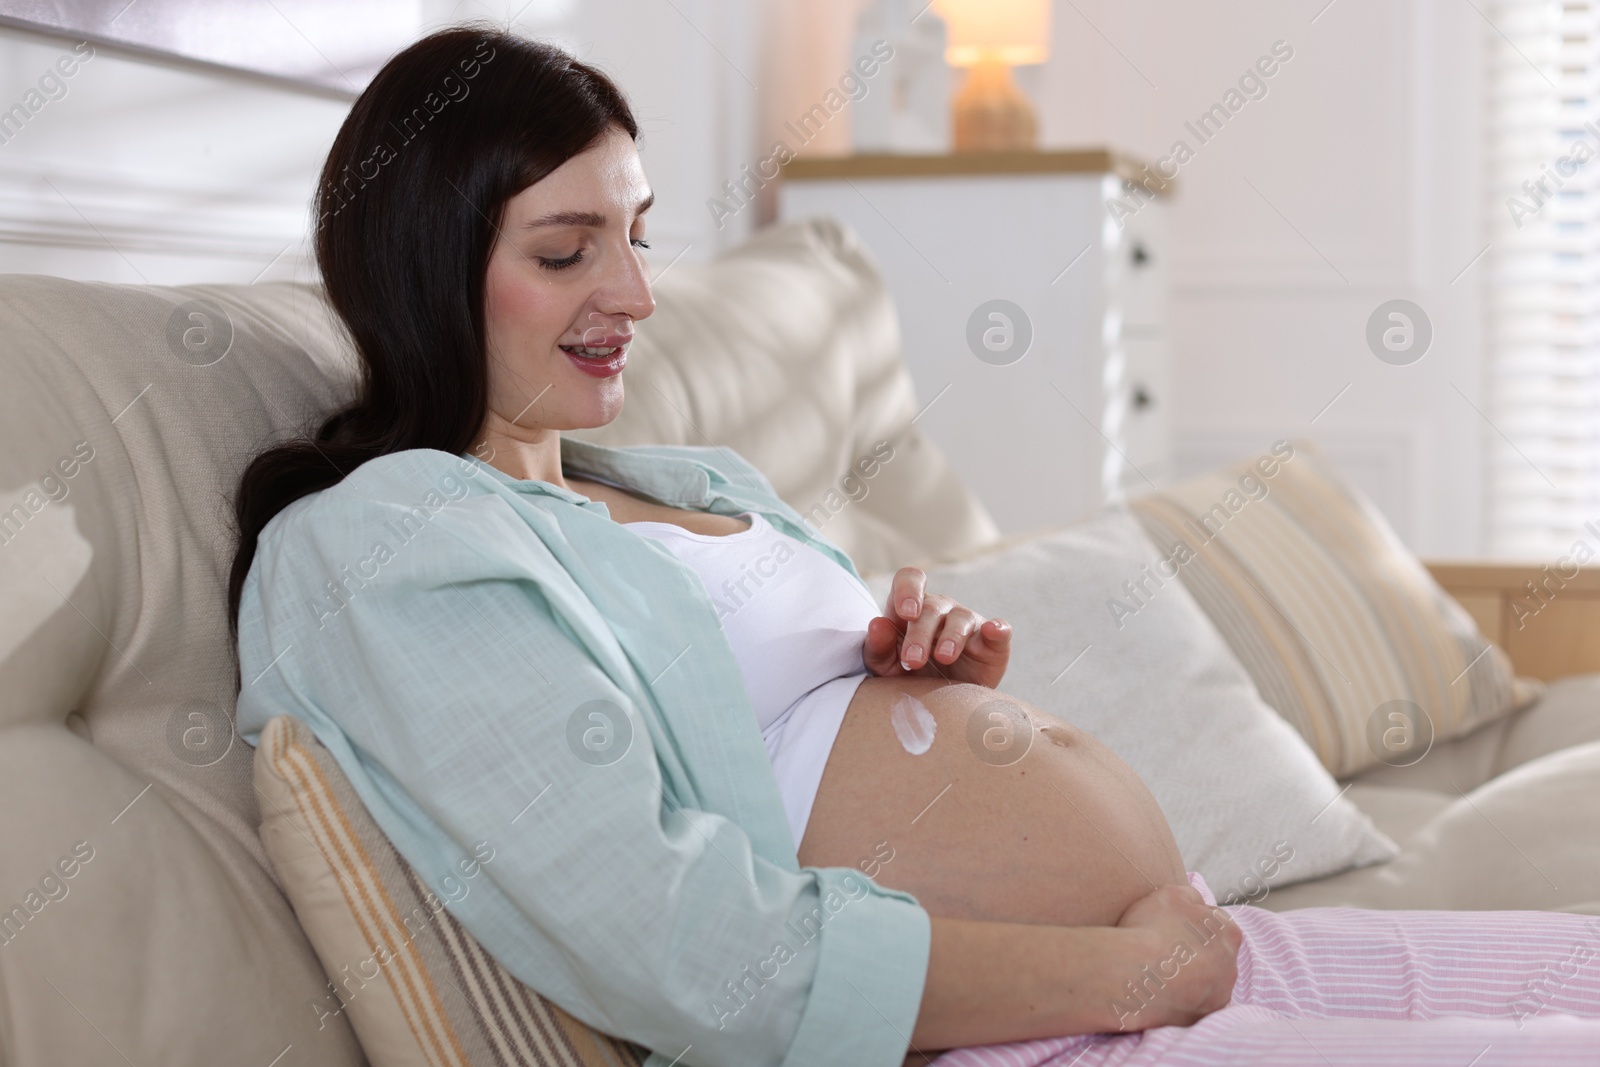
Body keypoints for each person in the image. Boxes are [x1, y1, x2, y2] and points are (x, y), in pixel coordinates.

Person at [231, 23, 1600, 1067]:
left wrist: (909, 676)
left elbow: (789, 754)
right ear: (421, 262)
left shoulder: (672, 479)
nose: (637, 294)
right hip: (1044, 1025)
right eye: (568, 249)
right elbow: (685, 952)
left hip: (1173, 954)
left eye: (638, 237)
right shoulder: (384, 547)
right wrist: (1126, 984)